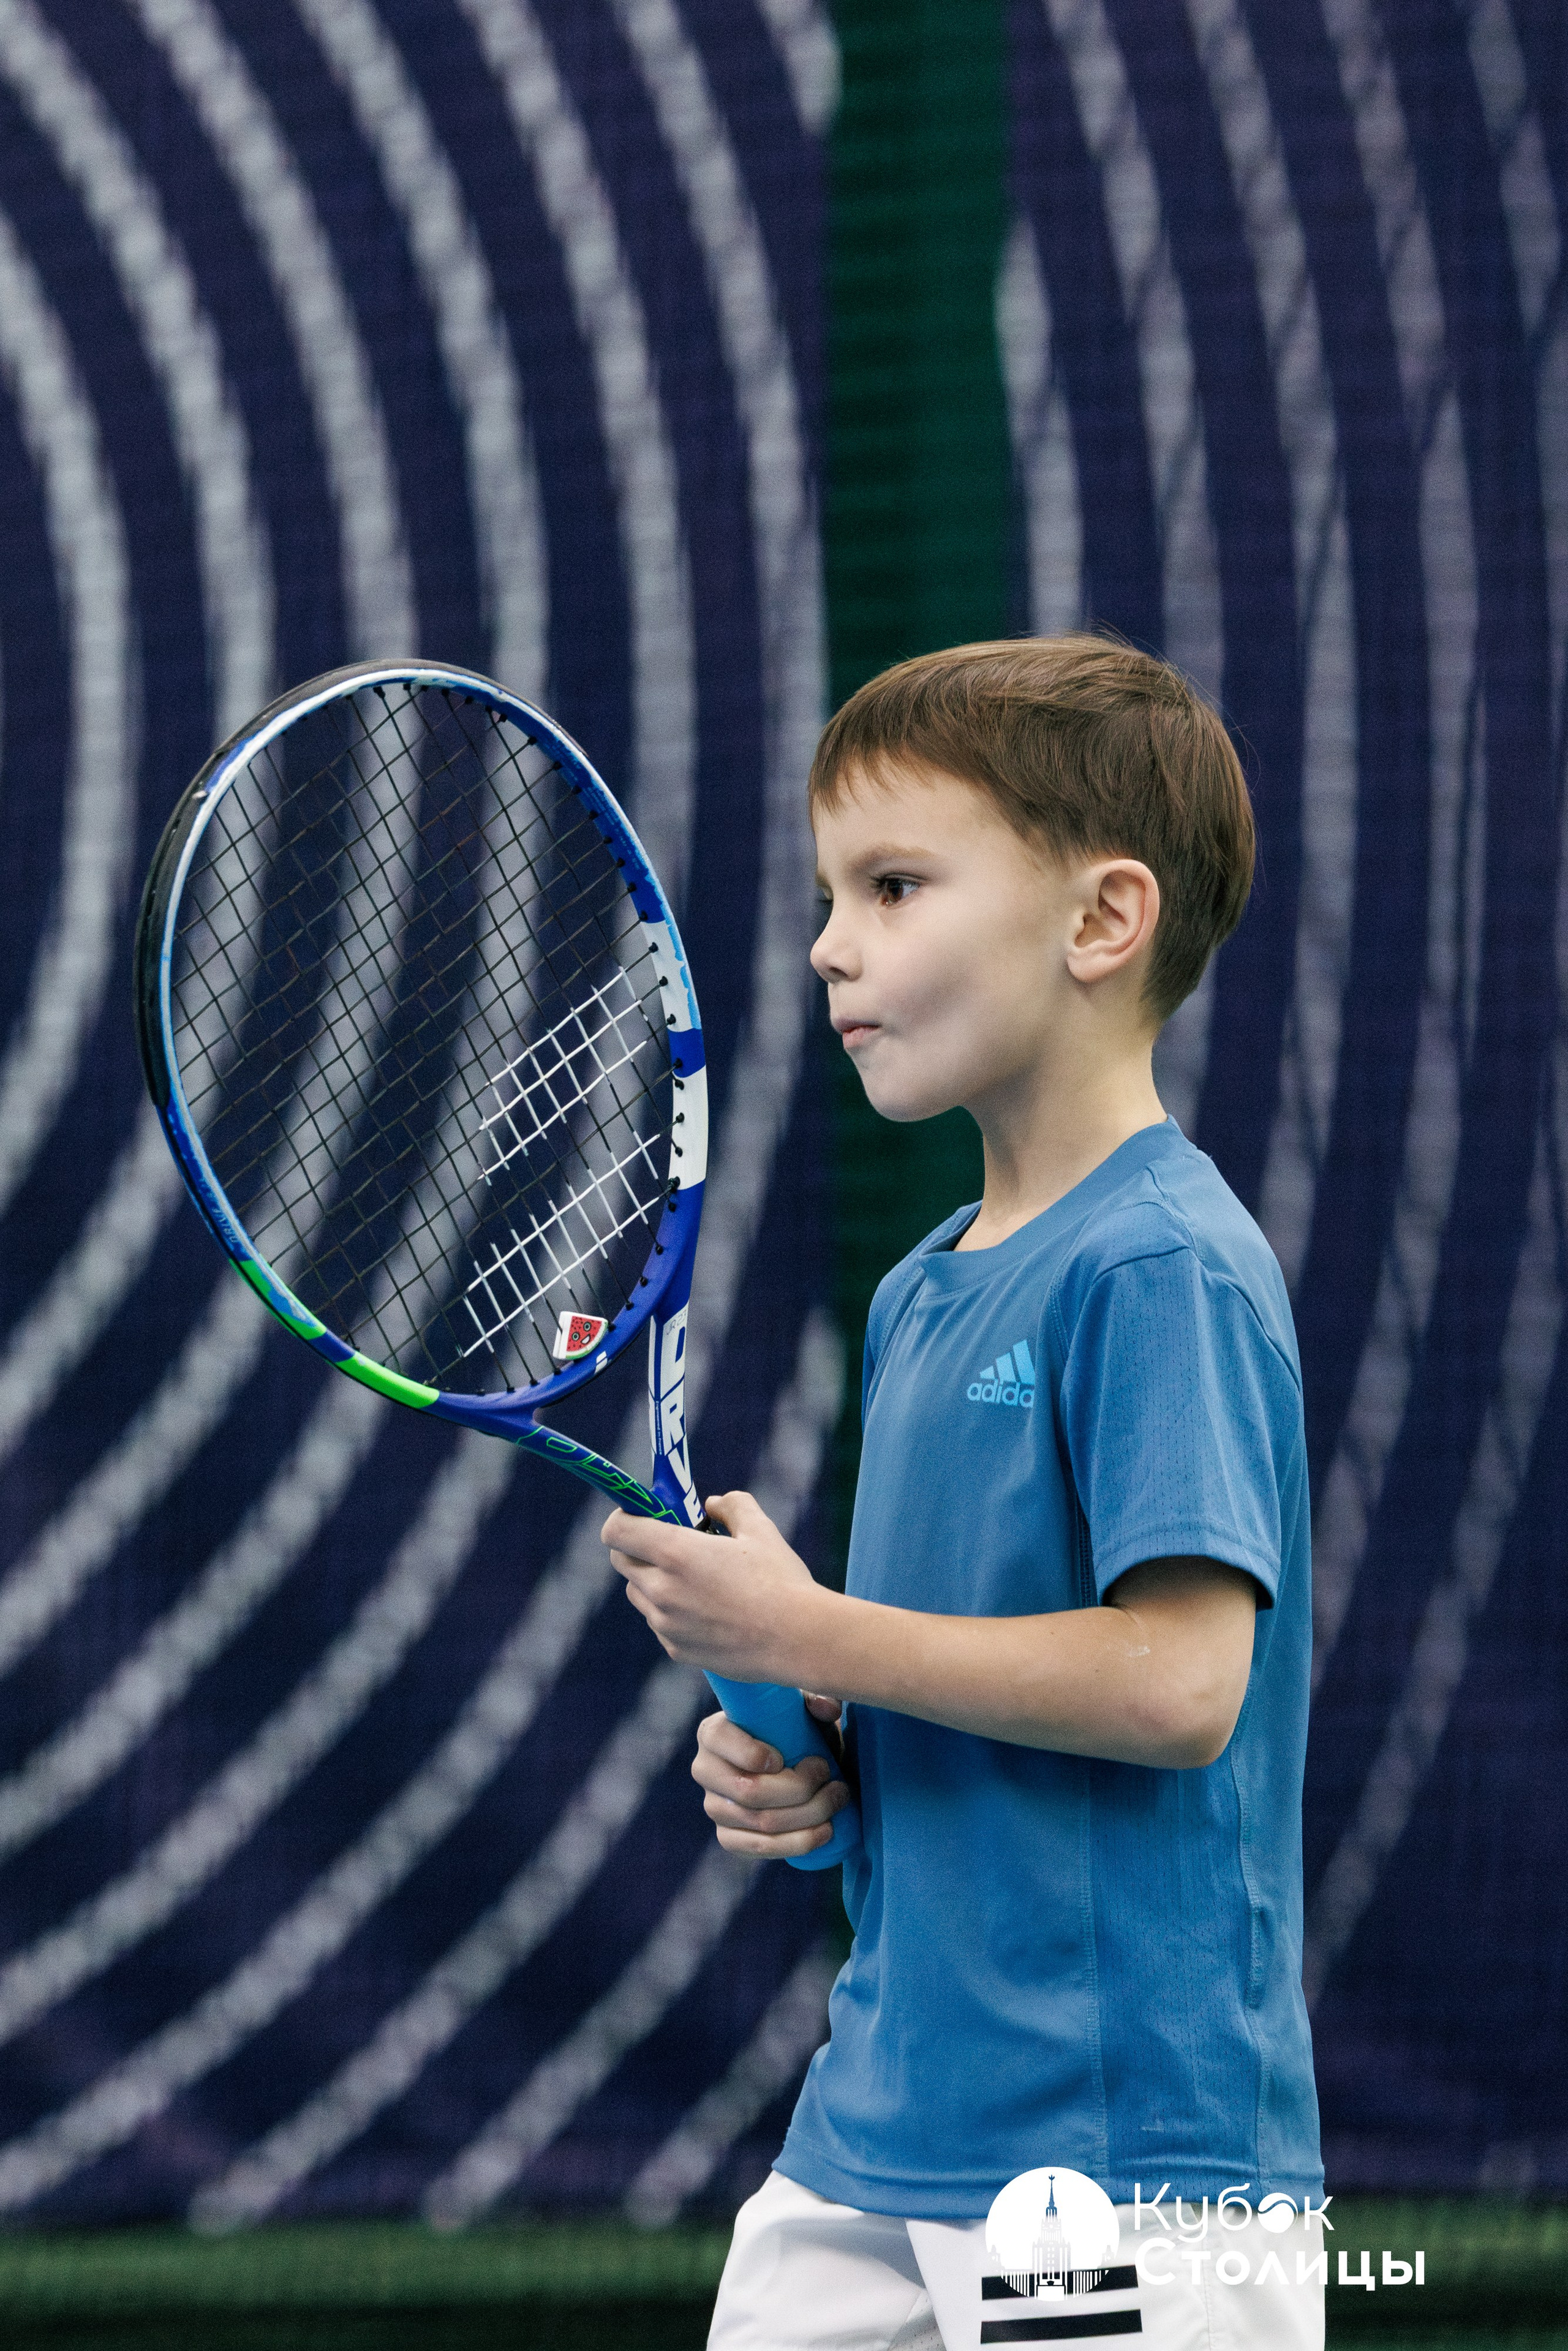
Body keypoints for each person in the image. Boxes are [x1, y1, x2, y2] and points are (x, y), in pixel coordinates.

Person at [602, 636, 1324, 2351]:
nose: (828, 944)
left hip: (1122, 2167)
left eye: (896, 883)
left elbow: (1177, 1687)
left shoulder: (1163, 1269)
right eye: (829, 891)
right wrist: (821, 1741)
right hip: (878, 2129)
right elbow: (964, 1666)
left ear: (1103, 921)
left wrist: (818, 1625)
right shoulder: (926, 1289)